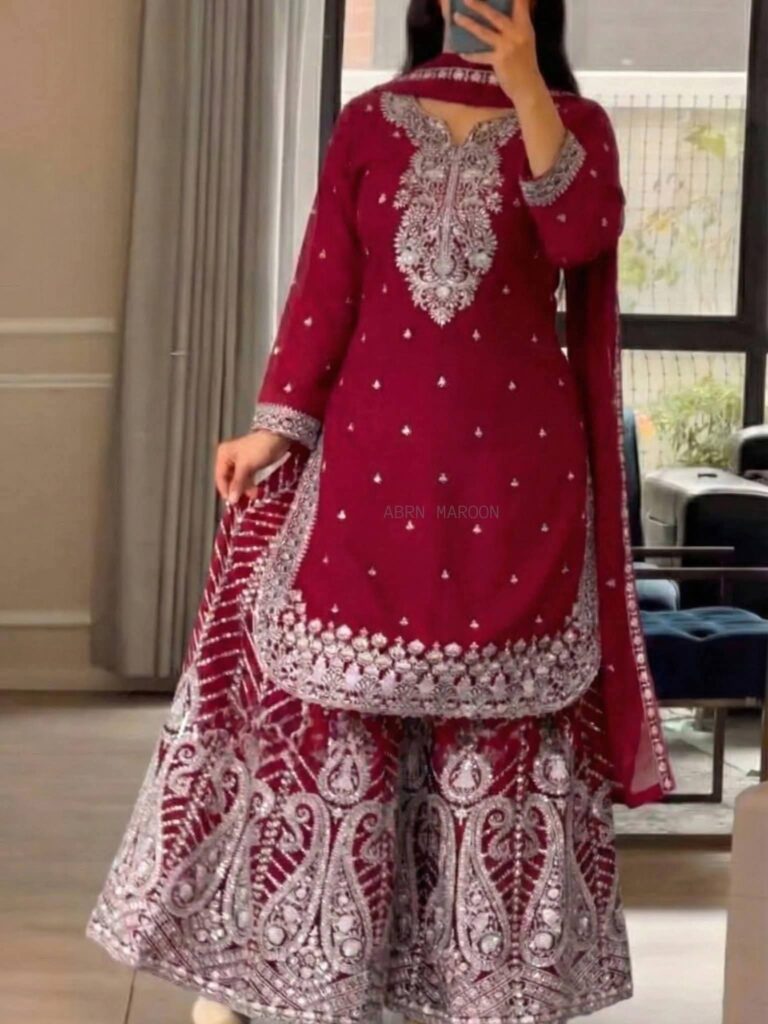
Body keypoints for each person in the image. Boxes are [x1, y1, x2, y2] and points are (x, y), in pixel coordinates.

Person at [87, 1, 675, 1022]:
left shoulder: (577, 125)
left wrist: (529, 88)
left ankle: (494, 983)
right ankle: (283, 967)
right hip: (371, 468)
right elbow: (328, 288)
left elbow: (580, 238)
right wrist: (275, 427)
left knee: (498, 715)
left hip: (514, 481)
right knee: (340, 697)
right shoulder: (368, 122)